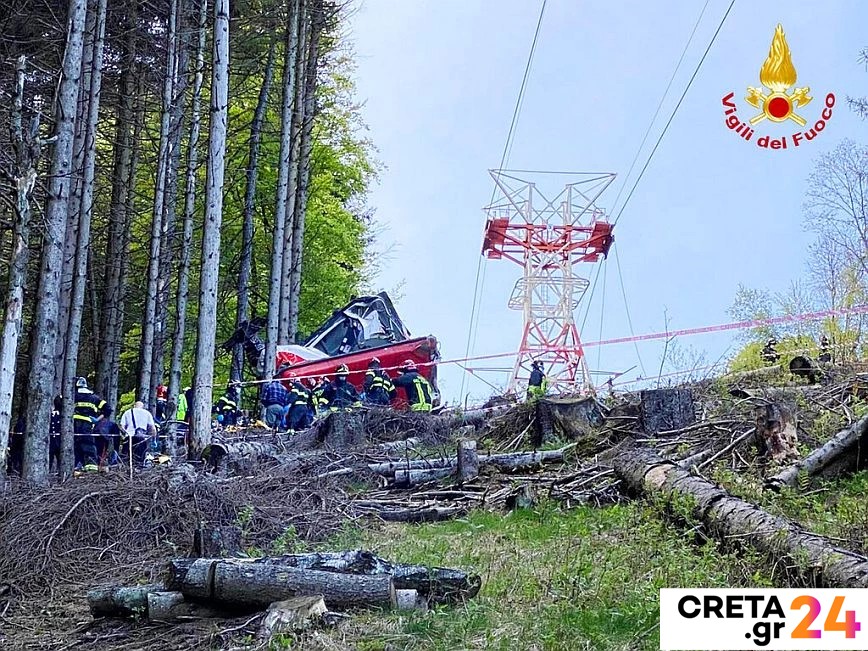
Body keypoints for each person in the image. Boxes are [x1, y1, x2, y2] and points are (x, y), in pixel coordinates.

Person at [74, 377, 107, 471]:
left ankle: (80, 467)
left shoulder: (73, 396)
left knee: (76, 446)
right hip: (87, 426)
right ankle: (89, 467)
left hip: (74, 426)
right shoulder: (94, 398)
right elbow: (107, 409)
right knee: (88, 446)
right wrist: (97, 419)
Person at [120, 401, 158, 468]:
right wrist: (154, 440)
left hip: (129, 438)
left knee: (126, 458)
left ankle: (126, 471)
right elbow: (153, 428)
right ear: (142, 407)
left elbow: (122, 427)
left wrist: (124, 436)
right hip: (142, 439)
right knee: (140, 458)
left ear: (134, 406)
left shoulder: (127, 412)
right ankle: (138, 472)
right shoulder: (147, 413)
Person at [49, 395, 62, 473]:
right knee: (50, 459)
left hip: (60, 442)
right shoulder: (51, 414)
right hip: (51, 442)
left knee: (61, 461)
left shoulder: (64, 415)